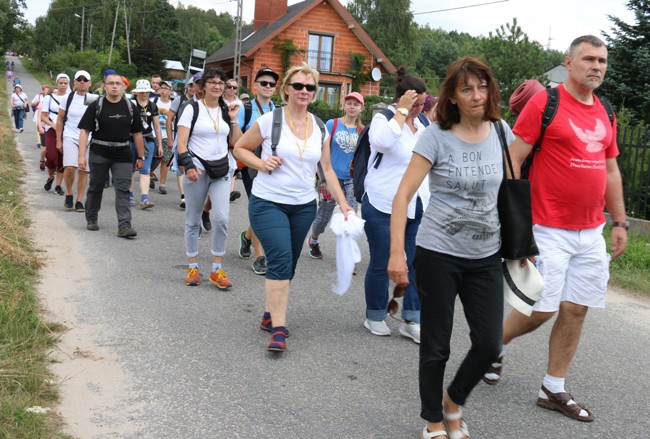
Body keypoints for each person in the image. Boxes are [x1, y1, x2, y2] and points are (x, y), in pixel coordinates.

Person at [483, 35, 628, 423]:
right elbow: (513, 159)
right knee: (542, 309)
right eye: (589, 59)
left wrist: (620, 220)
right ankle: (494, 345)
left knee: (577, 309)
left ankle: (553, 386)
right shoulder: (545, 103)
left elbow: (611, 169)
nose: (596, 66)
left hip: (590, 230)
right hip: (546, 226)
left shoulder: (606, 111)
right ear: (569, 62)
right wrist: (516, 225)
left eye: (602, 61)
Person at [388, 56, 509, 439]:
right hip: (439, 253)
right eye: (467, 89)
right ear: (453, 97)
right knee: (437, 346)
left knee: (490, 344)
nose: (477, 95)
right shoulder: (436, 135)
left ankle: (453, 400)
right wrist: (396, 254)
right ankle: (434, 420)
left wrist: (524, 242)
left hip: (487, 255)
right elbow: (403, 195)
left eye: (482, 87)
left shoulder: (501, 131)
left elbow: (509, 192)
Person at [234, 63, 353, 353]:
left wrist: (344, 204)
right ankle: (279, 328)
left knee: (290, 265)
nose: (304, 91)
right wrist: (262, 164)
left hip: (303, 206)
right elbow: (239, 148)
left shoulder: (320, 127)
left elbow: (326, 168)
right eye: (298, 86)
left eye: (309, 87)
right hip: (267, 202)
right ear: (286, 89)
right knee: (280, 259)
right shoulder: (270, 121)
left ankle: (269, 314)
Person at [361, 67, 428, 342]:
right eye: (415, 104)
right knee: (381, 262)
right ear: (402, 99)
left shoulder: (423, 125)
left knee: (414, 263)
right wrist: (400, 113)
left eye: (423, 104)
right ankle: (374, 314)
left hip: (415, 207)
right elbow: (382, 143)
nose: (419, 109)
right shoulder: (383, 119)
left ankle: (412, 319)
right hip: (381, 204)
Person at [175, 68, 242, 289]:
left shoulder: (226, 110)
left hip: (221, 169)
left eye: (221, 83)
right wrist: (188, 165)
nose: (217, 86)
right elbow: (182, 143)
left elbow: (237, 142)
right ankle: (192, 265)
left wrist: (233, 120)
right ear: (203, 86)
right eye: (212, 82)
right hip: (198, 170)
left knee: (221, 218)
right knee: (193, 220)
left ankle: (216, 269)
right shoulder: (191, 109)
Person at [78, 73, 145, 237]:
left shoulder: (130, 106)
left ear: (123, 87)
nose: (114, 86)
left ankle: (124, 226)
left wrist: (141, 157)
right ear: (105, 86)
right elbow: (85, 131)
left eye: (118, 83)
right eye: (111, 83)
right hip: (99, 151)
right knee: (96, 186)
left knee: (123, 189)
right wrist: (81, 156)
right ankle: (92, 218)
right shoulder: (96, 105)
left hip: (122, 154)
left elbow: (137, 133)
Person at [307, 91, 364, 259]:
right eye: (349, 103)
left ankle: (347, 253)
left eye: (356, 104)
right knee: (325, 214)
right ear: (344, 105)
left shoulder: (362, 130)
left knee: (351, 214)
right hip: (331, 178)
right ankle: (314, 239)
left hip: (351, 179)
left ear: (361, 108)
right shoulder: (332, 124)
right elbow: (320, 152)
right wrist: (322, 179)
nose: (352, 107)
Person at [236, 67, 280, 276]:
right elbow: (237, 141)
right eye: (264, 83)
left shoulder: (279, 111)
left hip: (273, 167)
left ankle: (246, 237)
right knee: (260, 208)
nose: (268, 87)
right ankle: (260, 256)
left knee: (266, 208)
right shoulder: (244, 109)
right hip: (252, 166)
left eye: (272, 84)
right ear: (255, 86)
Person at [56, 70, 92, 212]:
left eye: (85, 80)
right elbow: (60, 119)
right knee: (70, 167)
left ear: (89, 83)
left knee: (83, 170)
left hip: (89, 138)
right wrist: (58, 140)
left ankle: (79, 200)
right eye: (79, 79)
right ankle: (69, 194)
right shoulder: (68, 98)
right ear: (75, 82)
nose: (82, 82)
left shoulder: (93, 99)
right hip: (70, 136)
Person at [129, 79, 163, 209]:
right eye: (142, 92)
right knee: (130, 169)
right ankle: (130, 195)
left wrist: (159, 144)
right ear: (137, 93)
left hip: (148, 139)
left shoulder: (153, 106)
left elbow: (157, 126)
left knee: (145, 170)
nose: (145, 94)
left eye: (147, 92)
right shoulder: (131, 104)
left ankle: (144, 198)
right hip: (132, 139)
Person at [41, 74, 69, 195]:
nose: (63, 85)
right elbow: (43, 116)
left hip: (66, 130)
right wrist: (52, 124)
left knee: (63, 158)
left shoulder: (70, 98)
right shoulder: (49, 98)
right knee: (52, 157)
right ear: (57, 83)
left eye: (65, 83)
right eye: (61, 83)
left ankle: (58, 185)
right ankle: (51, 177)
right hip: (51, 130)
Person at [156, 80, 174, 195]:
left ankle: (162, 183)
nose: (163, 90)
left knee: (165, 160)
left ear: (170, 91)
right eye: (162, 88)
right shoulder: (154, 102)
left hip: (167, 135)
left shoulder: (173, 105)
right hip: (153, 134)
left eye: (166, 88)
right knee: (152, 158)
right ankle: (149, 174)